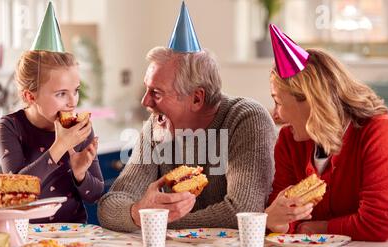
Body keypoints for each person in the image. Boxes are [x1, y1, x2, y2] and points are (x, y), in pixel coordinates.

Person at [99, 3, 276, 232]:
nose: (145, 102)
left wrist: (155, 219)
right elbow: (111, 204)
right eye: (147, 90)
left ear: (196, 99)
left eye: (157, 93)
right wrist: (136, 212)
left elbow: (242, 212)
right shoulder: (157, 127)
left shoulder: (246, 119)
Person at [265, 24, 388, 241]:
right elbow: (286, 223)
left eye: (278, 102)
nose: (276, 115)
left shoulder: (380, 132)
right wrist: (274, 220)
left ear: (309, 100)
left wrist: (313, 228)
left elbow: (379, 223)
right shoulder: (289, 141)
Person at [0, 3, 104, 223]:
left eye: (75, 91)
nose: (72, 101)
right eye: (61, 94)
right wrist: (60, 146)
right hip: (27, 237)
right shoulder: (10, 126)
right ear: (30, 96)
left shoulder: (80, 129)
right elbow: (14, 192)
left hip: (74, 234)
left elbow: (96, 195)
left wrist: (80, 173)